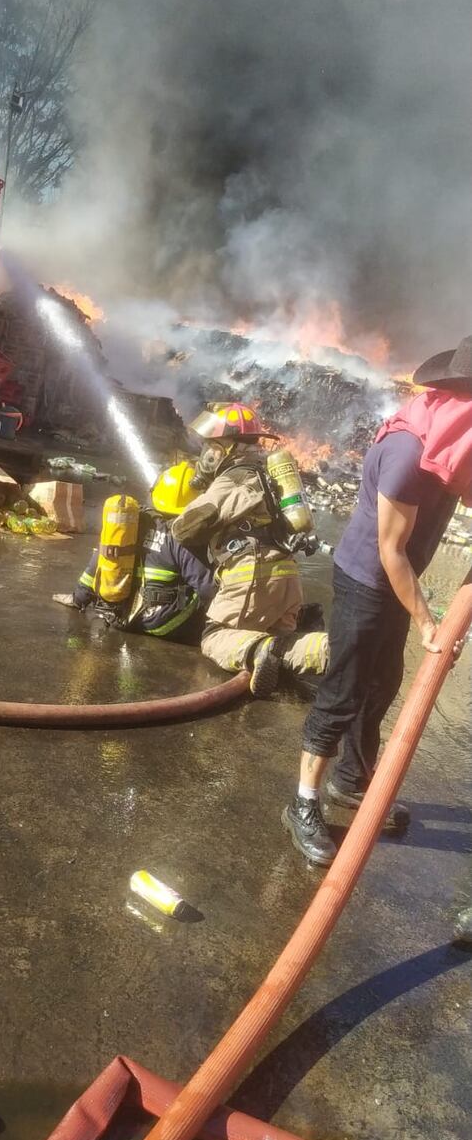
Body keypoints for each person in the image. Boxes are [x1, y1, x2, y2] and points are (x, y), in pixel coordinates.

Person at [283, 336, 472, 866]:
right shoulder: (412, 451)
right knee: (342, 691)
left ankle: (352, 781)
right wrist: (428, 622)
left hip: (396, 578)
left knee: (383, 683)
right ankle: (303, 803)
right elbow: (391, 552)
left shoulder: (447, 438)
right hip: (368, 579)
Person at [172, 403, 329, 697]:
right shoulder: (267, 472)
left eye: (211, 446)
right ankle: (332, 651)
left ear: (224, 448)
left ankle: (258, 649)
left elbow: (186, 528)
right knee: (283, 643)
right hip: (286, 577)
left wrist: (182, 511)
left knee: (215, 637)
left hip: (251, 577)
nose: (206, 454)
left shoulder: (236, 476)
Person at [53, 461, 214, 641]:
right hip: (160, 624)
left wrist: (79, 598)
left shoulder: (129, 522)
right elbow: (207, 589)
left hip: (119, 616)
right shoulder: (184, 536)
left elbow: (99, 560)